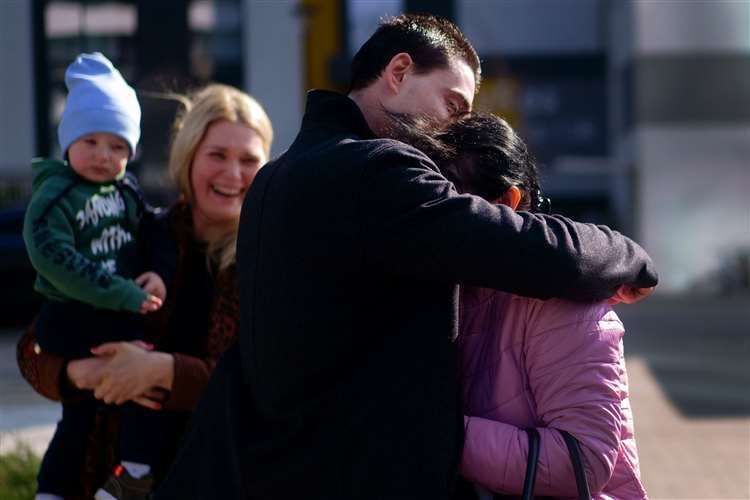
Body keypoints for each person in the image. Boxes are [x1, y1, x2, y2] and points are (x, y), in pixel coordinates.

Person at [156, 14, 657, 500]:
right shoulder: (376, 168)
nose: (451, 130)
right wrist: (626, 253)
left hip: (278, 469)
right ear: (398, 73)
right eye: (453, 105)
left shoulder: (276, 176)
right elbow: (527, 250)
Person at [17, 83, 273, 500]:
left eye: (249, 159)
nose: (233, 174)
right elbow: (32, 347)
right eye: (217, 155)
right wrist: (73, 374)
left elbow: (271, 386)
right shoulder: (136, 236)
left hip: (222, 479)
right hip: (104, 481)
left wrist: (165, 371)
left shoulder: (271, 260)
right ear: (188, 157)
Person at [396, 113, 648, 499]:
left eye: (453, 202)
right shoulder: (448, 286)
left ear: (508, 202)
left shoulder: (562, 302)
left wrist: (434, 434)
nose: (438, 221)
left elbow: (583, 462)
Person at [21, 52, 173, 500]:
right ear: (67, 141)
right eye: (92, 142)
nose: (105, 156)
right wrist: (123, 293)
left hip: (116, 316)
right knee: (80, 417)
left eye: (119, 146)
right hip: (72, 318)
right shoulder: (56, 192)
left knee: (142, 392)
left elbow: (155, 235)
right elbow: (53, 257)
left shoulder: (126, 191)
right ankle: (54, 491)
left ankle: (130, 475)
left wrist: (158, 274)